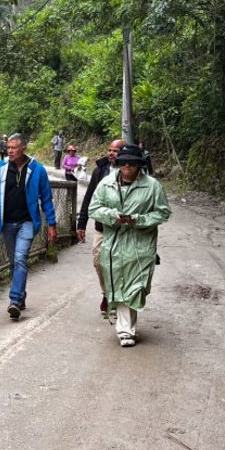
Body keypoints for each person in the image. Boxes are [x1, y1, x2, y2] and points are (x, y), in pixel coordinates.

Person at [87, 143, 171, 346]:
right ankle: (124, 328)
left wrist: (139, 220)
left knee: (135, 286)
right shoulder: (106, 184)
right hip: (113, 243)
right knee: (117, 280)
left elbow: (163, 212)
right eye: (123, 163)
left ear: (139, 165)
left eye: (131, 164)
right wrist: (112, 216)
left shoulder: (152, 186)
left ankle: (125, 329)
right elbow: (94, 208)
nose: (127, 167)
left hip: (140, 244)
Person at [0, 133, 57, 320]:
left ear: (23, 148)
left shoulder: (37, 170)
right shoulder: (0, 168)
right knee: (14, 262)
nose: (10, 150)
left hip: (27, 222)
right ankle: (21, 296)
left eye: (14, 147)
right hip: (7, 223)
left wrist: (52, 224)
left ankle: (14, 300)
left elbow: (46, 198)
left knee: (21, 257)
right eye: (8, 147)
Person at [77, 139, 125, 317]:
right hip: (101, 227)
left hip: (123, 228)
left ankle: (117, 297)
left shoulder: (130, 171)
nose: (111, 154)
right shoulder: (100, 170)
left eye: (116, 151)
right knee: (99, 262)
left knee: (119, 264)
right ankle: (106, 293)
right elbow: (89, 197)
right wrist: (81, 224)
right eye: (110, 150)